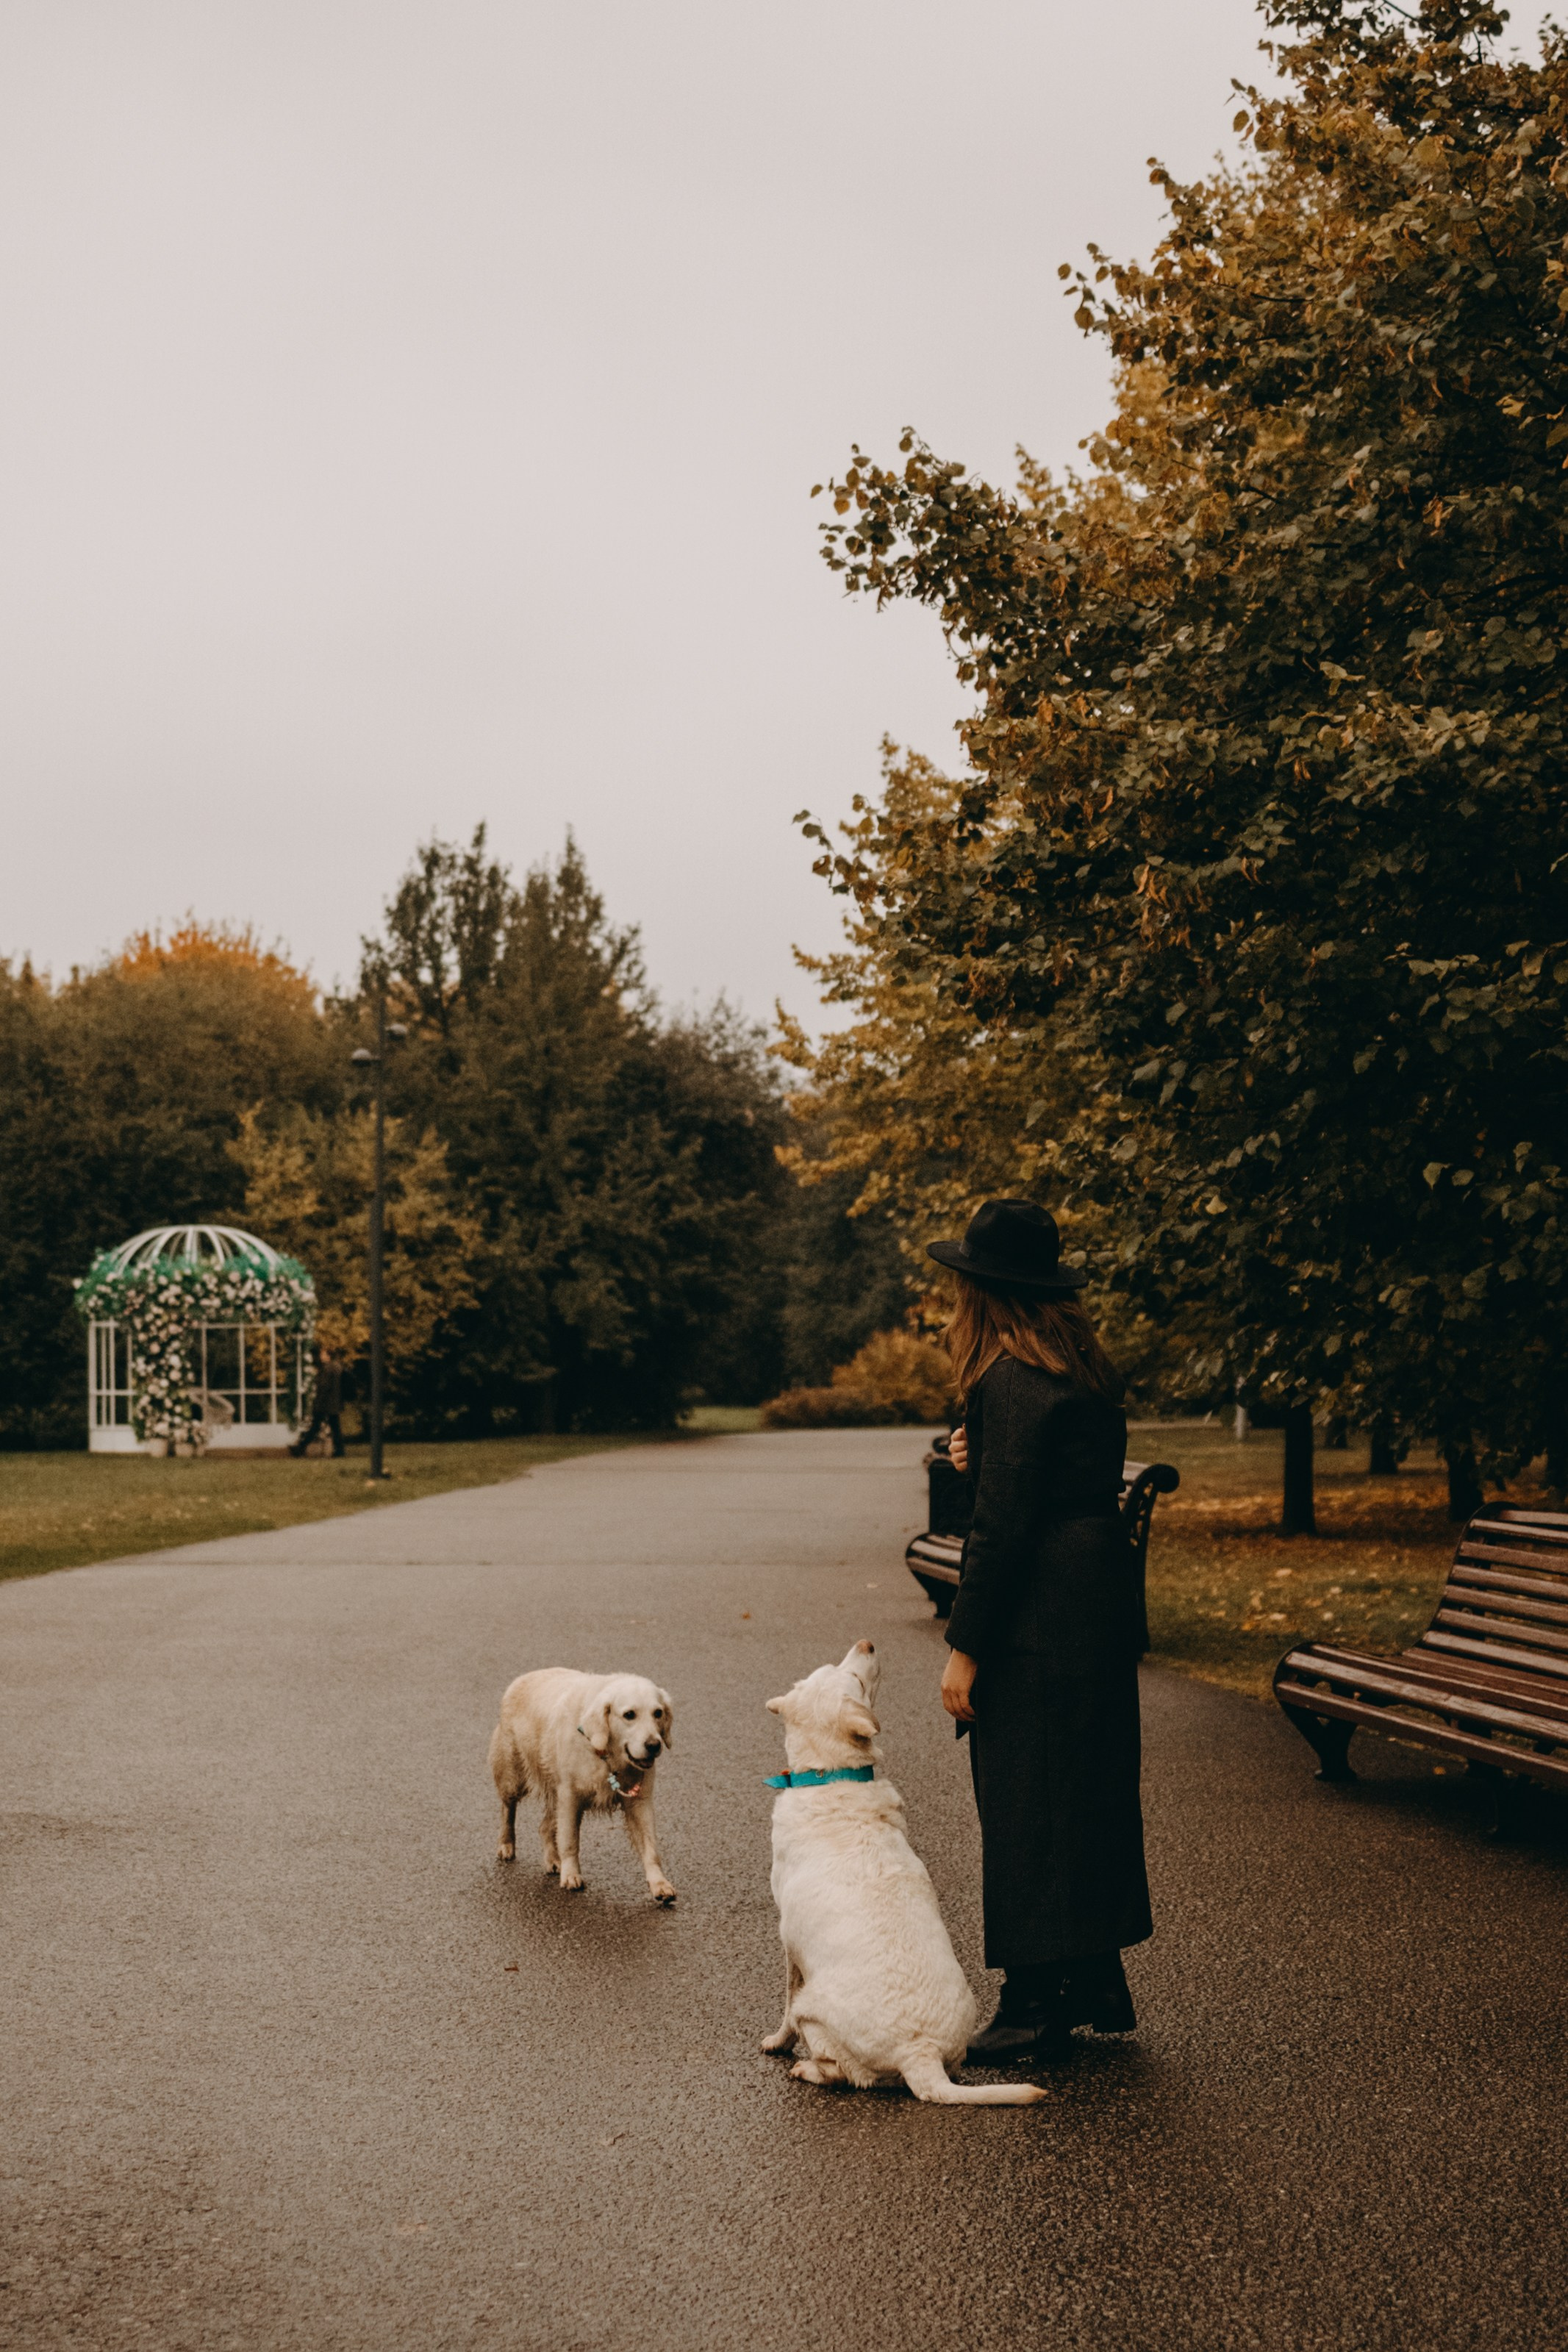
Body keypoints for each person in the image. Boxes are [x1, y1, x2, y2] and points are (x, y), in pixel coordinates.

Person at [927, 1198, 1151, 2065]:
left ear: (984, 1291)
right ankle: (1095, 1975)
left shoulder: (1009, 1378)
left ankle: (1033, 2000)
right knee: (1085, 1787)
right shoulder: (1079, 1365)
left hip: (1040, 1610)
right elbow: (1044, 1474)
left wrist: (966, 1645)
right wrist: (977, 1452)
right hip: (1092, 1599)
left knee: (1026, 1797)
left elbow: (1003, 1526)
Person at [290, 1345, 346, 1459]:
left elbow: (324, 1387)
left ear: (328, 1356)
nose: (321, 1357)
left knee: (316, 1426)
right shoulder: (338, 1367)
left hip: (326, 1404)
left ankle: (301, 1448)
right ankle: (339, 1450)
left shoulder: (328, 1369)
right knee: (335, 1427)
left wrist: (318, 1403)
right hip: (334, 1403)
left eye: (323, 1355)